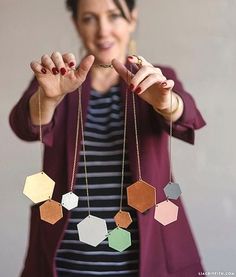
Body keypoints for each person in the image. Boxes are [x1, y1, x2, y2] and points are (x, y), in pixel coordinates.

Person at [9, 0, 206, 276]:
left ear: (132, 20)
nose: (103, 30)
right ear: (77, 24)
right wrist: (49, 98)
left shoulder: (157, 79)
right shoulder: (58, 81)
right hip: (67, 262)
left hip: (144, 260)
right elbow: (24, 125)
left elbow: (187, 115)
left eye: (113, 16)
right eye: (89, 18)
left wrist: (166, 102)